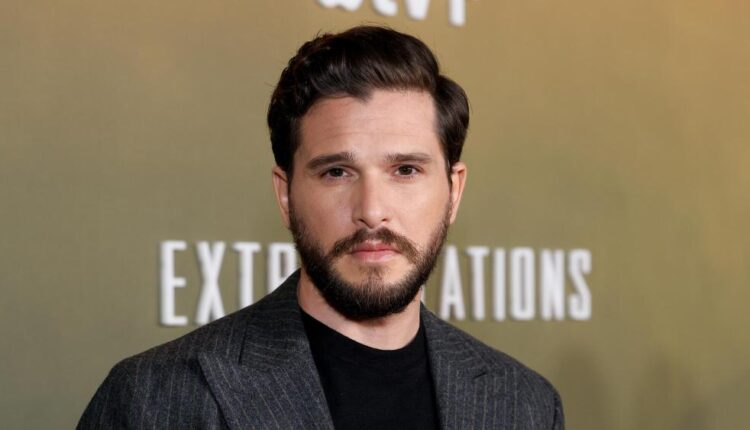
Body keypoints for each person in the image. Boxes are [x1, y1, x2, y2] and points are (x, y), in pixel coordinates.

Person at [78, 26, 564, 429]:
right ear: (286, 195)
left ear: (453, 191)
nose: (372, 210)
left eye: (405, 170)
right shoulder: (156, 399)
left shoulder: (525, 405)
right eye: (337, 172)